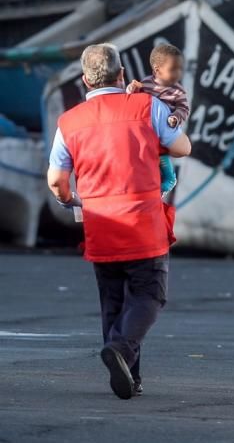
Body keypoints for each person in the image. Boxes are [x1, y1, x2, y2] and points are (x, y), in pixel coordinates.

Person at [47, 43, 191, 400]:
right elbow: (182, 147)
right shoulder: (147, 106)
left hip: (100, 226)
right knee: (148, 295)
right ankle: (121, 350)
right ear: (123, 74)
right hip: (144, 226)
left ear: (85, 80)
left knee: (113, 301)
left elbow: (56, 181)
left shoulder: (69, 122)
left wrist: (70, 202)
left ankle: (130, 376)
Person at [126, 43, 190, 196]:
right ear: (157, 70)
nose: (178, 73)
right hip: (145, 135)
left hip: (163, 139)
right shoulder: (146, 84)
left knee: (167, 172)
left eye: (180, 69)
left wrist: (175, 117)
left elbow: (184, 109)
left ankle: (162, 188)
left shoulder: (178, 91)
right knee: (146, 168)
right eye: (173, 69)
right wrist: (132, 89)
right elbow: (133, 101)